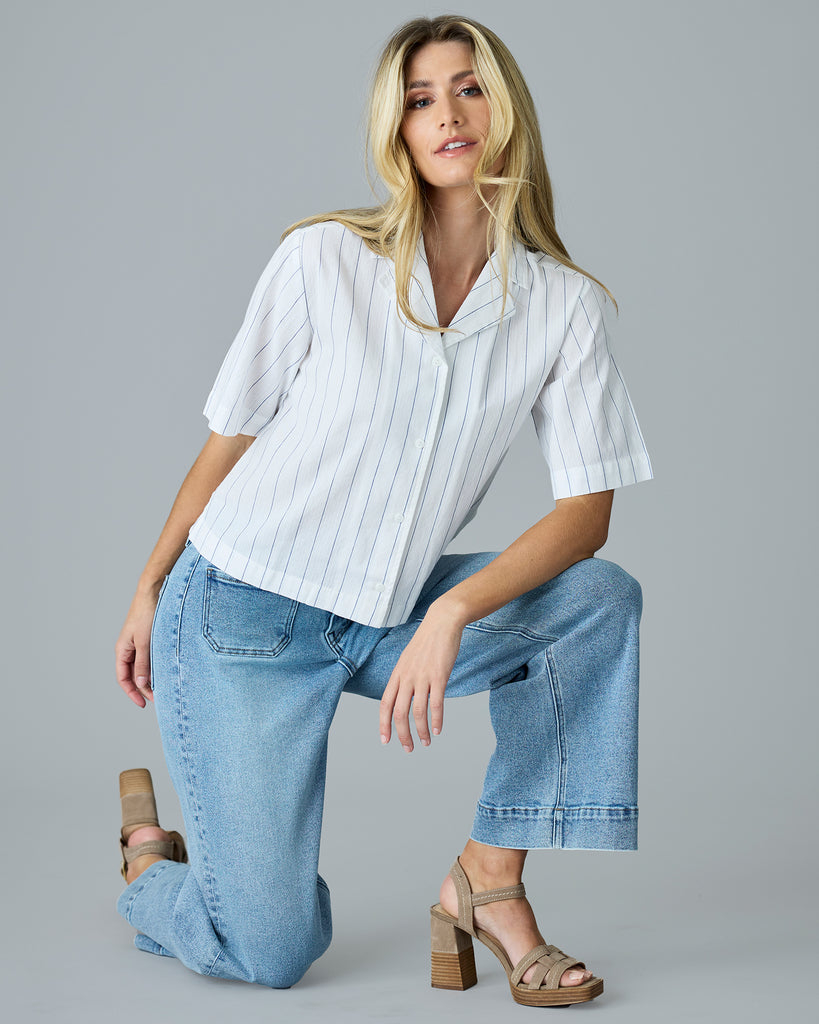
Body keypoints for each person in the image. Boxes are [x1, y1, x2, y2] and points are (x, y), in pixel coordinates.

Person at [114, 13, 652, 1008]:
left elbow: (587, 512)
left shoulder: (561, 307)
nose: (446, 114)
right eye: (418, 99)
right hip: (241, 618)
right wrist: (150, 586)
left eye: (468, 88)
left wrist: (450, 611)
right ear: (396, 130)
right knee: (274, 947)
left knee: (600, 599)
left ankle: (489, 881)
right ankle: (152, 873)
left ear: (506, 109)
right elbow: (224, 445)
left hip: (390, 610)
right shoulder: (324, 262)